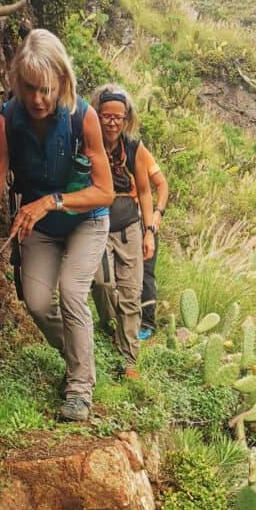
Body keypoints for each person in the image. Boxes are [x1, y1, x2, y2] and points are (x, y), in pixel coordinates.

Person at [0, 29, 114, 423]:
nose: (37, 99)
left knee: (73, 293)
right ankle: (79, 354)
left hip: (85, 220)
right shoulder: (7, 122)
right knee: (37, 303)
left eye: (45, 89)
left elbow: (105, 191)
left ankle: (79, 387)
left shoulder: (83, 117)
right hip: (40, 226)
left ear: (61, 82)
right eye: (28, 88)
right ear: (16, 82)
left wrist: (51, 201)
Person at [89, 84, 155, 377]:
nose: (112, 122)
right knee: (101, 282)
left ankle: (129, 358)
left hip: (128, 227)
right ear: (97, 115)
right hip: (94, 223)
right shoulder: (87, 140)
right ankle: (107, 325)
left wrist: (149, 230)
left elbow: (145, 190)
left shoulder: (133, 146)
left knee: (130, 292)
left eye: (118, 117)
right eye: (106, 116)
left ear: (127, 118)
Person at [138, 152, 169, 341]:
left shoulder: (139, 151)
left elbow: (162, 184)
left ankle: (147, 322)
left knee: (146, 271)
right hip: (115, 218)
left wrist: (158, 212)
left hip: (144, 218)